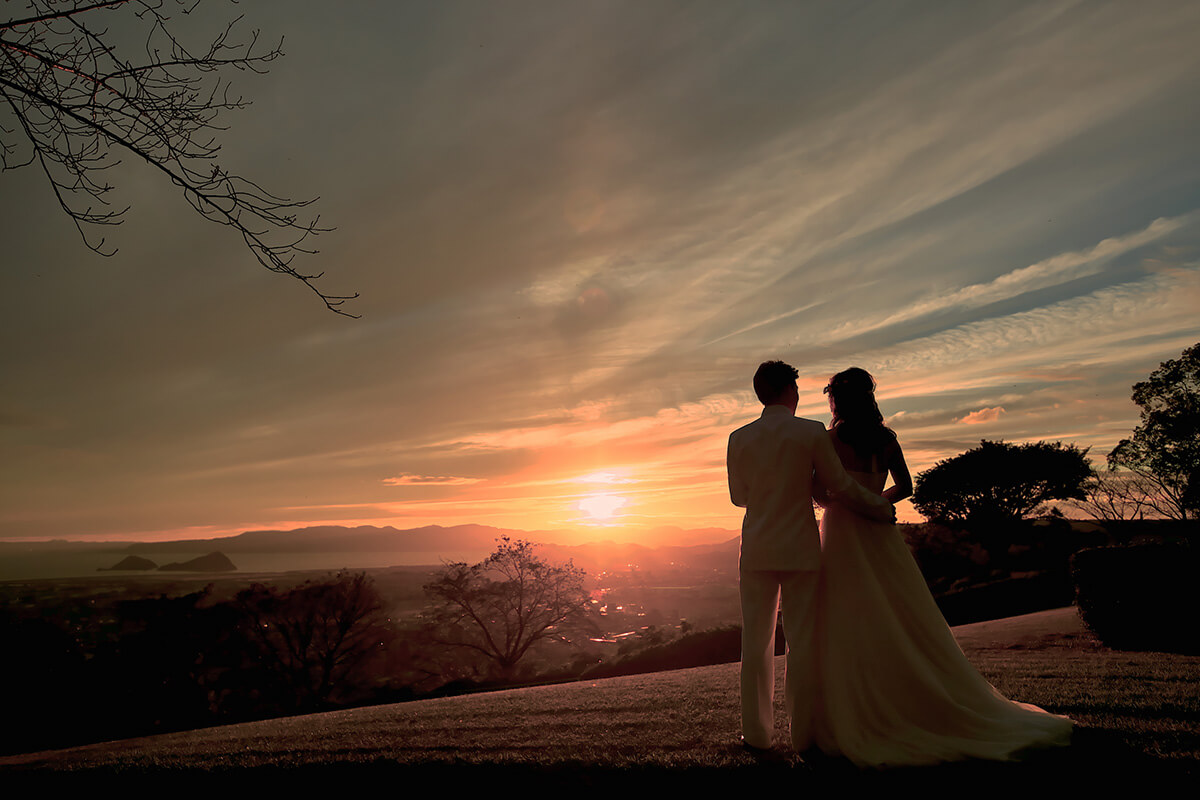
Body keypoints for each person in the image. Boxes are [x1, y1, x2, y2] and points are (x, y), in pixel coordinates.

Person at [812, 367, 1073, 766]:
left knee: (848, 611)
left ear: (836, 400)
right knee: (899, 608)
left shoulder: (828, 440)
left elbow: (817, 492)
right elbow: (906, 486)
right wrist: (876, 501)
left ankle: (861, 700)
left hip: (843, 533)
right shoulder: (885, 439)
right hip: (880, 530)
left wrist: (843, 504)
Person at [726, 360, 896, 752]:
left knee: (755, 645)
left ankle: (756, 736)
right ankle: (803, 736)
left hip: (756, 550)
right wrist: (878, 506)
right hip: (801, 549)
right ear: (791, 391)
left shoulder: (739, 437)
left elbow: (739, 497)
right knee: (801, 643)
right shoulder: (811, 432)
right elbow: (838, 485)